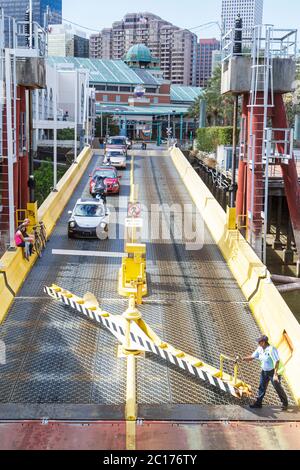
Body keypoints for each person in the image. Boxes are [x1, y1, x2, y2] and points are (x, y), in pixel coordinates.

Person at [241, 335, 288, 411]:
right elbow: (253, 357)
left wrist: (275, 374)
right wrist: (242, 358)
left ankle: (285, 403)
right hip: (264, 371)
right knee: (262, 387)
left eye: (259, 342)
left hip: (273, 371)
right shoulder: (260, 348)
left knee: (277, 387)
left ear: (263, 342)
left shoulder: (271, 349)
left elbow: (277, 361)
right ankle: (258, 403)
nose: (258, 343)